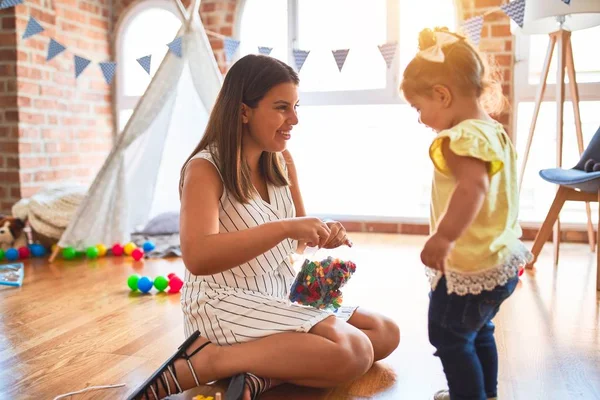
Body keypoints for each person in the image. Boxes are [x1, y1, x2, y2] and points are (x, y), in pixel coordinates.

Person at [127, 54, 400, 400]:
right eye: (282, 107)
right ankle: (210, 360)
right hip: (221, 305)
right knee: (355, 351)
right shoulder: (204, 169)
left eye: (296, 107)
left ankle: (259, 375)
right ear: (244, 111)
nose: (295, 119)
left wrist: (320, 231)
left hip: (277, 294)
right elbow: (197, 256)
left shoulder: (282, 161)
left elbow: (297, 241)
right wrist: (286, 227)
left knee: (384, 332)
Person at [399, 28, 532, 400]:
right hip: (500, 260)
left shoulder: (460, 138)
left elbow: (473, 188)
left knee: (449, 336)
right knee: (479, 331)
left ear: (441, 94)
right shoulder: (493, 130)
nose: (420, 118)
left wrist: (443, 237)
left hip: (469, 265)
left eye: (419, 108)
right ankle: (484, 394)